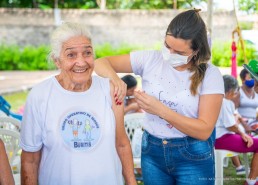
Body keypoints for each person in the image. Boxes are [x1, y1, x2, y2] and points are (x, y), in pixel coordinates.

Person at [94, 9, 224, 185]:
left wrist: (160, 110)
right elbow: (101, 63)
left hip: (193, 154)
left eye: (179, 52)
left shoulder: (210, 75)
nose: (170, 54)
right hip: (153, 152)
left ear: (196, 50)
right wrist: (117, 82)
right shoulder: (150, 59)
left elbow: (204, 130)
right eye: (167, 46)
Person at [20, 22, 136, 185]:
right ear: (57, 61)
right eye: (71, 55)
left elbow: (122, 144)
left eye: (87, 53)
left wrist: (131, 182)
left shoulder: (109, 90)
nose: (81, 62)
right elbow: (30, 159)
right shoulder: (40, 95)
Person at [215, 75, 258, 185]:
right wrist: (243, 134)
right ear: (229, 90)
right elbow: (230, 125)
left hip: (217, 138)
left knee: (254, 140)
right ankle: (251, 181)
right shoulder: (225, 101)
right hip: (222, 139)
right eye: (234, 92)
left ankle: (252, 179)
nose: (235, 94)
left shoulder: (215, 98)